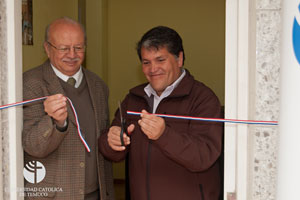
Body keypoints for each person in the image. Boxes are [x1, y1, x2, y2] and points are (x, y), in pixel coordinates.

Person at [99, 26, 223, 200]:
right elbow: (113, 153)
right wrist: (111, 141)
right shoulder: (134, 98)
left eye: (160, 60)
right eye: (146, 62)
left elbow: (204, 156)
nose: (153, 69)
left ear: (179, 59)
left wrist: (164, 135)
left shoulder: (203, 98)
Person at [22, 17, 114, 200]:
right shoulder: (30, 84)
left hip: (97, 193)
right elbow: (32, 145)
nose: (72, 55)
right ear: (47, 49)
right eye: (64, 48)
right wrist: (56, 123)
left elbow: (103, 142)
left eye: (78, 48)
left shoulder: (98, 85)